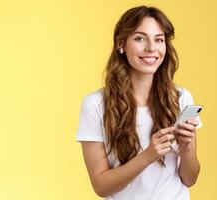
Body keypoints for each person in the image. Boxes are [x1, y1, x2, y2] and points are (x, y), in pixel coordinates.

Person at [76, 5, 203, 200]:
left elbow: (189, 179)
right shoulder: (95, 105)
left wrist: (188, 149)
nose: (151, 48)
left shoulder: (180, 97)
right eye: (139, 38)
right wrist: (148, 156)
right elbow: (101, 186)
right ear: (121, 43)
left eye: (159, 39)